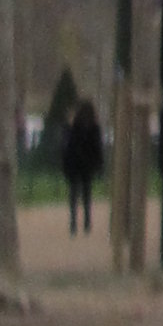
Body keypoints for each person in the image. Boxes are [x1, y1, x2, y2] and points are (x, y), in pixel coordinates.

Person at [62, 94, 106, 236]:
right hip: (87, 164)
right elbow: (98, 147)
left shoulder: (74, 126)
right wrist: (99, 164)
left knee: (74, 194)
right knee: (87, 194)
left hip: (75, 164)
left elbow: (68, 146)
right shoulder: (94, 127)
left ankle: (73, 223)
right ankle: (87, 221)